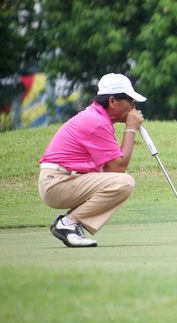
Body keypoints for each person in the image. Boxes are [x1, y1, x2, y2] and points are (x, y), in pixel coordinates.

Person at [38, 73, 146, 248]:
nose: (133, 107)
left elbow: (110, 169)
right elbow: (119, 168)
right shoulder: (96, 122)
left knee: (118, 180)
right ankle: (68, 223)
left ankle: (69, 224)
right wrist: (131, 128)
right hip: (56, 184)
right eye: (130, 101)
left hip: (61, 180)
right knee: (123, 182)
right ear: (112, 101)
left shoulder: (97, 117)